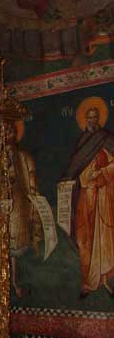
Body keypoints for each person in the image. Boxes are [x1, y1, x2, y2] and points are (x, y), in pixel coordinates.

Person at [61, 103, 114, 297]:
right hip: (84, 197)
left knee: (102, 237)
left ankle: (105, 280)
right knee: (84, 238)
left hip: (102, 198)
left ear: (99, 118)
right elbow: (74, 169)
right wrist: (70, 181)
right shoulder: (83, 141)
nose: (92, 120)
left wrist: (100, 174)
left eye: (94, 117)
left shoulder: (107, 139)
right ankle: (88, 282)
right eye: (89, 117)